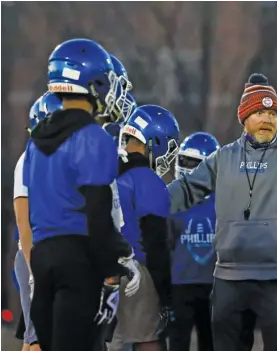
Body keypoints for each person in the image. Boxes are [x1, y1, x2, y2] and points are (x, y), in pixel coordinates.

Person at [166, 73, 277, 351]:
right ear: (244, 118)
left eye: (271, 113)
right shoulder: (225, 157)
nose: (266, 119)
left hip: (276, 275)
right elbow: (187, 188)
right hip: (230, 276)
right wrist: (148, 200)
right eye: (258, 112)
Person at [24, 38, 140, 351]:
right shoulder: (92, 137)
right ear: (96, 81)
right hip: (76, 261)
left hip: (43, 259)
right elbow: (97, 212)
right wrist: (118, 259)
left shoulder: (35, 141)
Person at [108, 105, 179, 351]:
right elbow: (155, 242)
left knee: (109, 341)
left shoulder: (106, 172)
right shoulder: (148, 181)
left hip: (100, 267)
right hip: (135, 271)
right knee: (148, 339)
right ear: (155, 141)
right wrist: (166, 294)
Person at [13, 92, 62, 351]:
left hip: (54, 257)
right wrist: (36, 272)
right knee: (38, 340)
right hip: (36, 257)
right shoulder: (27, 161)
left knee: (40, 337)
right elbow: (24, 223)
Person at [168, 132, 221, 351]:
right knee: (178, 342)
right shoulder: (172, 199)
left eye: (194, 163)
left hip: (213, 284)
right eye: (184, 160)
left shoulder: (224, 201)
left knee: (210, 342)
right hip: (180, 284)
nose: (187, 167)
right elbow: (166, 243)